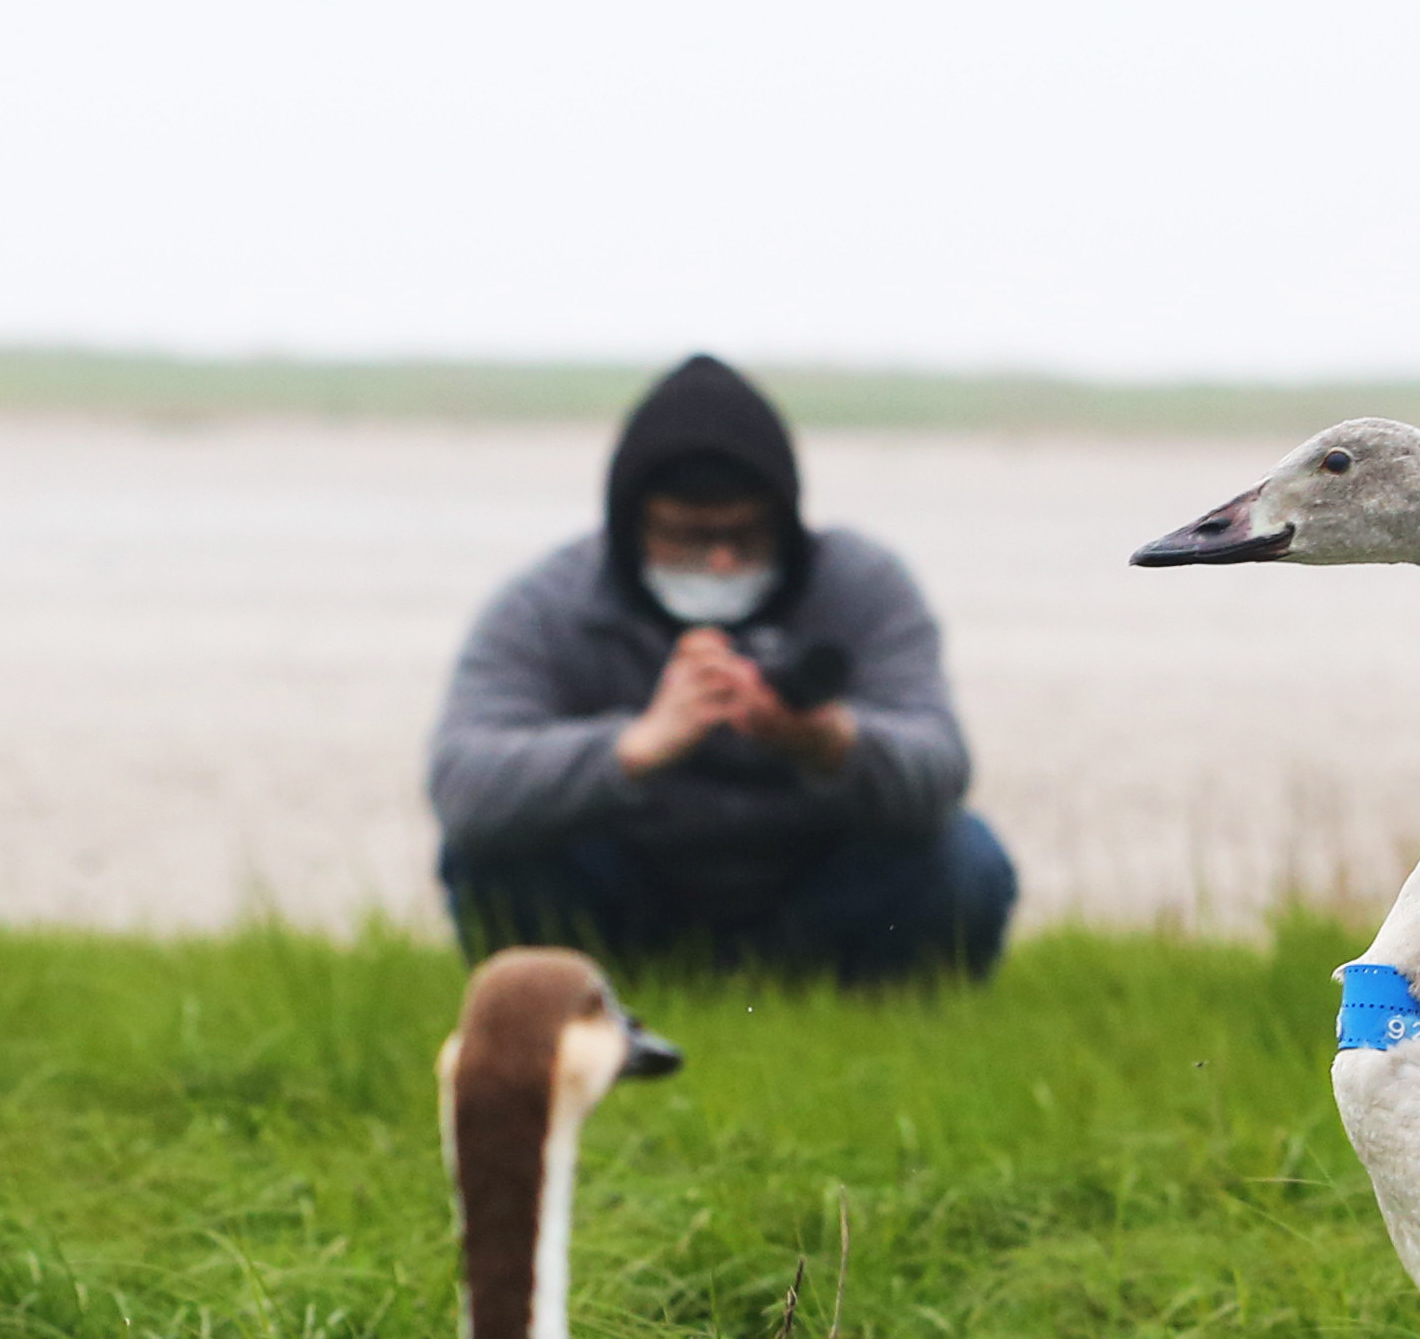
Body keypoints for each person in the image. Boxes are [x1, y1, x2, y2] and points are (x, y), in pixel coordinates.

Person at [431, 355, 1014, 985]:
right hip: (628, 899)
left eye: (746, 534)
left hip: (821, 898)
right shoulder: (549, 603)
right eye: (687, 536)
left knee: (964, 859)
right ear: (630, 526)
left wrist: (829, 742)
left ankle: (812, 989)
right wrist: (635, 746)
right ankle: (609, 996)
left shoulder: (861, 584)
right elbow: (464, 785)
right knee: (489, 859)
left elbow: (943, 767)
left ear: (786, 519)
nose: (719, 562)